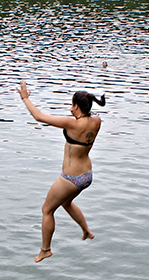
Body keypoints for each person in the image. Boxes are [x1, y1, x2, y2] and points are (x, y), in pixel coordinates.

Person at [18, 81, 105, 263]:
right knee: (66, 203)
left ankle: (45, 250)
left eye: (72, 105)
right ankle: (86, 231)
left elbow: (39, 116)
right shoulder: (96, 121)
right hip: (87, 176)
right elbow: (89, 117)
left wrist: (25, 98)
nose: (70, 109)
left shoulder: (72, 124)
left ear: (76, 106)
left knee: (47, 210)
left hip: (71, 178)